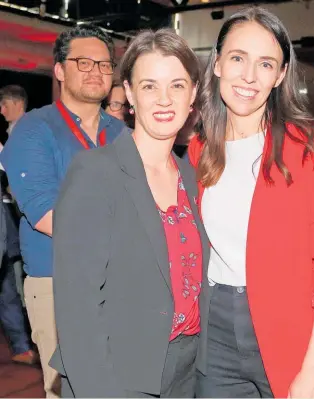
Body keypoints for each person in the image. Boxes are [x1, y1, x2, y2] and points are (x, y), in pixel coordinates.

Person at [187, 6, 314, 398]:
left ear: (280, 75)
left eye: (266, 64)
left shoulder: (310, 146)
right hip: (214, 332)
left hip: (292, 329)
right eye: (237, 59)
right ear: (216, 64)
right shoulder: (199, 149)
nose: (249, 76)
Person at [51, 28, 209, 398]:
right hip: (115, 372)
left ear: (193, 97)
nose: (164, 99)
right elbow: (78, 310)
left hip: (184, 372)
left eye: (177, 85)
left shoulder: (192, 177)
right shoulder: (95, 172)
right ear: (129, 95)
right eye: (150, 85)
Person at [0, 26, 125, 398]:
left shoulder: (122, 134)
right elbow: (45, 214)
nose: (95, 71)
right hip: (59, 284)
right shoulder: (34, 130)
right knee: (69, 390)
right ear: (59, 70)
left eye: (104, 64)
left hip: (121, 283)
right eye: (83, 62)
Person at [0, 85, 37, 365]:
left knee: (8, 283)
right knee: (8, 283)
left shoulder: (22, 132)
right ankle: (21, 344)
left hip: (12, 216)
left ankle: (21, 343)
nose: (0, 111)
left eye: (4, 104)